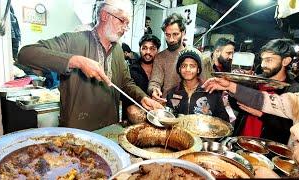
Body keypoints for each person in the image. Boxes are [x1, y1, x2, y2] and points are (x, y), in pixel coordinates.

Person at [18, 0, 162, 131]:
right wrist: (77, 61)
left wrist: (142, 98)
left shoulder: (118, 49)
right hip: (77, 132)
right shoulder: (73, 41)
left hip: (109, 130)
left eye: (127, 24)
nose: (125, 28)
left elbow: (126, 82)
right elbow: (26, 54)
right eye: (122, 20)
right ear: (105, 15)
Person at [231, 39, 299, 144]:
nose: (263, 65)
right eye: (262, 60)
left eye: (269, 60)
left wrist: (262, 114)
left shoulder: (295, 91)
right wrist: (235, 85)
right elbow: (237, 106)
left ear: (285, 61)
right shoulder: (255, 80)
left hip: (268, 150)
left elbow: (291, 127)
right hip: (241, 141)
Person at [166, 47, 229, 121]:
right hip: (178, 132)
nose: (188, 69)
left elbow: (224, 121)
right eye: (184, 66)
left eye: (192, 66)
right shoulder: (172, 93)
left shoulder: (211, 91)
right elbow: (168, 119)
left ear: (198, 69)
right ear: (179, 69)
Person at [122, 34, 161, 123]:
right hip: (133, 118)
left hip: (156, 116)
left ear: (157, 50)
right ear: (140, 49)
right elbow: (126, 96)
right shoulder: (131, 69)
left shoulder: (160, 71)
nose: (148, 52)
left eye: (152, 48)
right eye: (144, 48)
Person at [148, 13, 186, 104]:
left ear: (183, 33)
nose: (171, 39)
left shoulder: (194, 55)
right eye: (168, 35)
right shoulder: (160, 57)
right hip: (166, 105)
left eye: (175, 34)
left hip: (189, 107)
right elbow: (155, 81)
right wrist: (154, 90)